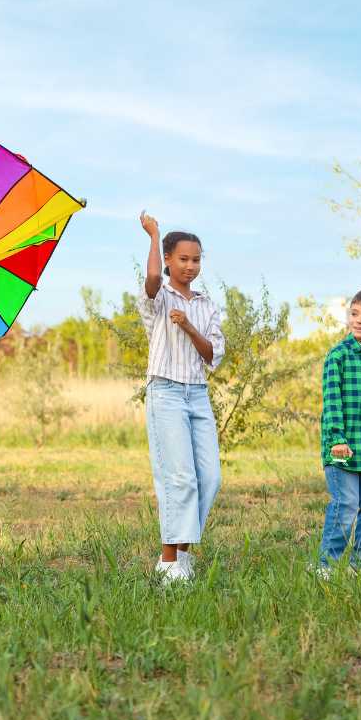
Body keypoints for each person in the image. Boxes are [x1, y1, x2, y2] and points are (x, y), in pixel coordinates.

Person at [138, 211, 225, 584]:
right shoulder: (157, 299)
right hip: (166, 392)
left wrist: (189, 325)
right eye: (183, 259)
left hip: (197, 394)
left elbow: (212, 354)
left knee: (209, 477)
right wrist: (154, 235)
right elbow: (154, 278)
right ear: (170, 259)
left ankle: (184, 555)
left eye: (196, 260)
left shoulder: (206, 304)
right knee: (179, 478)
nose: (190, 266)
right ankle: (169, 561)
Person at [316, 290, 361, 580]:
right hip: (341, 446)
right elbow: (332, 402)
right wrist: (336, 439)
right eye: (355, 314)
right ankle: (325, 566)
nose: (359, 321)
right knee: (345, 504)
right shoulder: (338, 356)